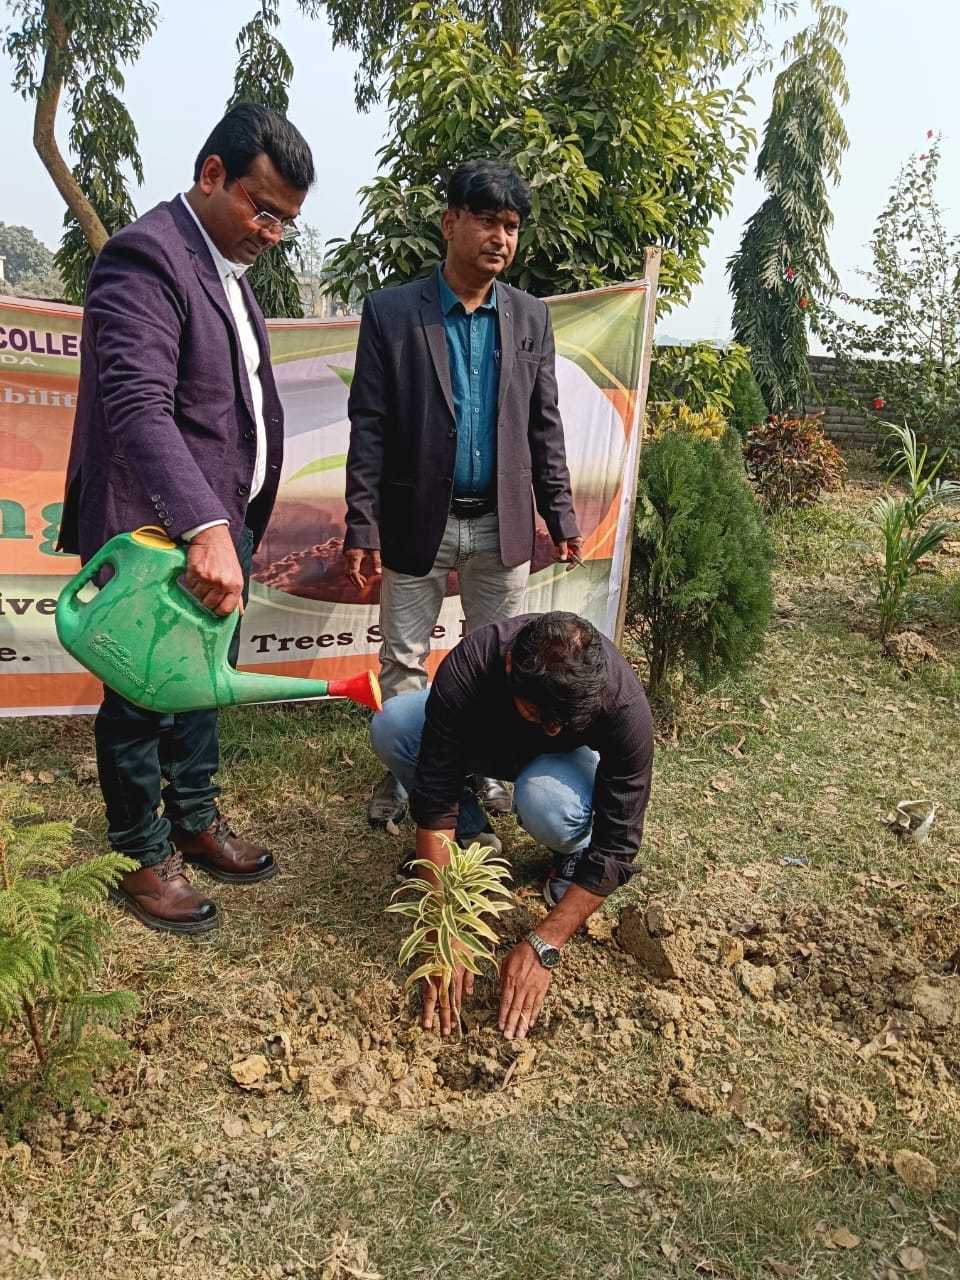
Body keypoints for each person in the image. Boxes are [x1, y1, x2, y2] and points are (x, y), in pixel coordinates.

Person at [58, 105, 315, 936]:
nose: (273, 233)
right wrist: (205, 527)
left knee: (200, 681)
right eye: (263, 210)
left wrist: (227, 526)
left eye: (286, 221)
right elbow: (137, 406)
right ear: (212, 175)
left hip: (215, 526)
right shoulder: (146, 257)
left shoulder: (227, 271)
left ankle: (195, 819)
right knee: (141, 696)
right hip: (156, 532)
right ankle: (140, 853)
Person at [344, 159, 582, 832]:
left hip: (502, 523)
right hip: (417, 518)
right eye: (487, 221)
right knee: (403, 660)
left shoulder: (530, 317)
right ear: (450, 222)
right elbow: (369, 425)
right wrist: (362, 523)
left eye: (512, 225)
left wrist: (560, 514)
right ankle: (408, 771)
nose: (501, 238)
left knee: (499, 660)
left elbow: (544, 424)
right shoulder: (392, 314)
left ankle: (482, 766)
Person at [370, 611, 654, 1039]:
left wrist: (545, 943)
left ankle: (572, 850)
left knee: (548, 802)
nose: (552, 728)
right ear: (509, 668)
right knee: (393, 725)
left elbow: (618, 844)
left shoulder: (622, 704)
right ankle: (471, 833)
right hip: (485, 738)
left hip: (555, 769)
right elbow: (435, 794)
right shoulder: (473, 662)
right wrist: (445, 929)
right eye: (539, 713)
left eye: (565, 721)